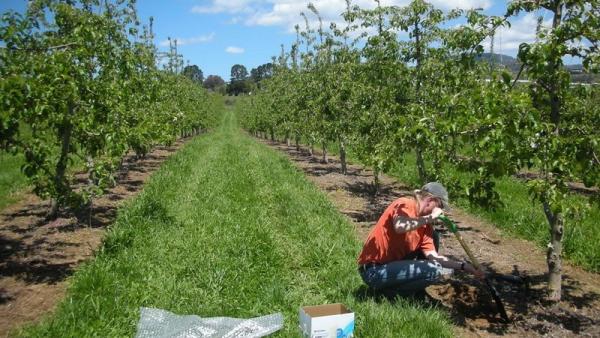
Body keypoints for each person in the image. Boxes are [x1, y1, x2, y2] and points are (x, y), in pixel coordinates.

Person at [357, 182, 485, 296]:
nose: (441, 211)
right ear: (430, 200)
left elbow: (435, 257)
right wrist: (430, 217)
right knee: (433, 271)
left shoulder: (425, 227)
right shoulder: (404, 204)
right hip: (374, 271)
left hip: (391, 268)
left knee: (435, 261)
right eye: (440, 206)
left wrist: (465, 266)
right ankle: (391, 294)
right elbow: (400, 226)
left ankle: (397, 293)